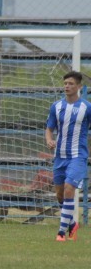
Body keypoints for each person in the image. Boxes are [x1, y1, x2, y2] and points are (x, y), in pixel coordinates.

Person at [45, 71, 90, 242]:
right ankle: (72, 224)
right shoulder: (56, 106)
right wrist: (49, 140)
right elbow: (49, 128)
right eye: (65, 83)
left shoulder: (87, 107)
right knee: (60, 195)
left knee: (69, 188)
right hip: (60, 156)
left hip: (78, 156)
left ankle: (61, 232)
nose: (67, 86)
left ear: (79, 87)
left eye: (71, 84)